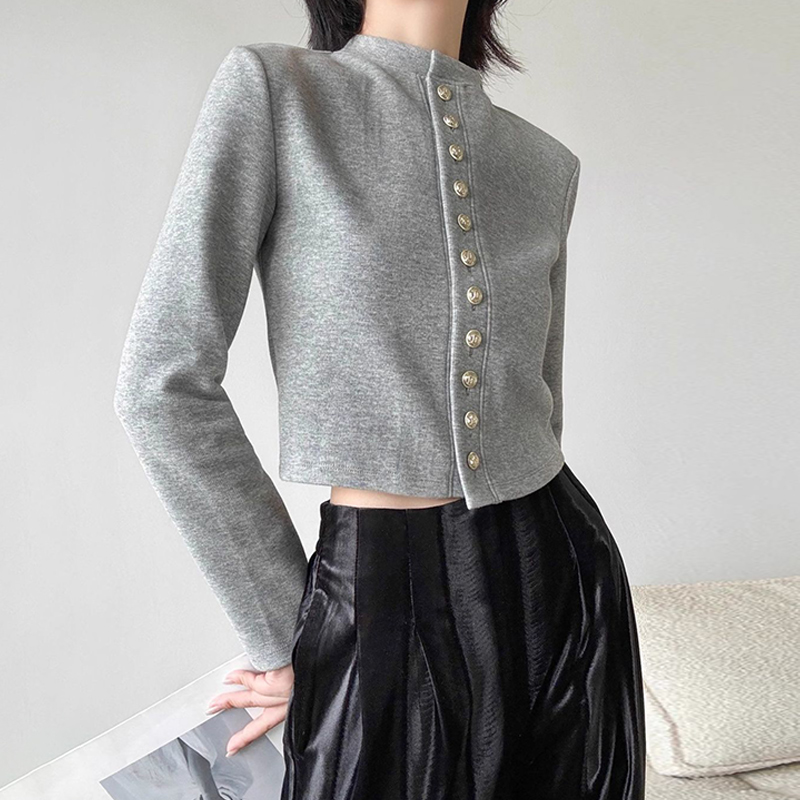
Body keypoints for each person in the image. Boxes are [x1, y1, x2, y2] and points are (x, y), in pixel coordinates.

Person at [114, 1, 647, 797]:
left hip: (565, 583)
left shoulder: (544, 164)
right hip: (378, 588)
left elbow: (540, 405)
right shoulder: (278, 92)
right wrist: (289, 634)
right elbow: (161, 385)